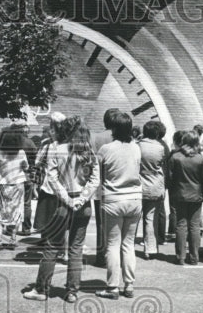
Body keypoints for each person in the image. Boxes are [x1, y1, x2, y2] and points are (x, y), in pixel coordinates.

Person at [23, 116, 100, 303]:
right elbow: (95, 179)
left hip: (62, 203)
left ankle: (41, 288)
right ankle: (72, 290)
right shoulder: (88, 151)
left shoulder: (56, 149)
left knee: (52, 246)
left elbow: (52, 178)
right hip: (83, 203)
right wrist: (82, 199)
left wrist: (67, 199)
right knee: (76, 248)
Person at [93, 112, 142, 299]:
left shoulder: (106, 149)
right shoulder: (136, 148)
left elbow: (97, 173)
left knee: (113, 245)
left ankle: (112, 286)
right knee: (128, 245)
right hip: (135, 199)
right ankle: (129, 285)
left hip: (113, 199)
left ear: (113, 128)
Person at [166, 132, 203, 265]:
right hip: (196, 195)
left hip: (179, 194)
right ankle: (194, 257)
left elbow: (169, 178)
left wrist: (172, 192)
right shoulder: (200, 159)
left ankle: (180, 256)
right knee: (195, 226)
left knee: (181, 225)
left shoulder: (175, 157)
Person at [89, 109, 121, 268]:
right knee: (119, 224)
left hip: (101, 186)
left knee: (101, 223)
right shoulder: (123, 139)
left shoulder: (96, 138)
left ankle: (101, 256)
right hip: (119, 185)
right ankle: (116, 256)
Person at [33, 113, 66, 254]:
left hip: (49, 186)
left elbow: (37, 162)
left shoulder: (47, 144)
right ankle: (60, 247)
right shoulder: (69, 142)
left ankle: (49, 244)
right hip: (64, 186)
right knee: (61, 219)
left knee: (47, 217)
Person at [0, 127, 30, 250]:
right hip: (18, 184)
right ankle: (13, 240)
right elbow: (26, 167)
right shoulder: (21, 152)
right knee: (17, 212)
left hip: (3, 184)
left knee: (1, 211)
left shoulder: (0, 152)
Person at [137, 120, 168, 260]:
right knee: (150, 219)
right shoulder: (162, 147)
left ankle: (127, 247)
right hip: (155, 185)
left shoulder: (137, 146)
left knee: (134, 219)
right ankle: (150, 249)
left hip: (138, 184)